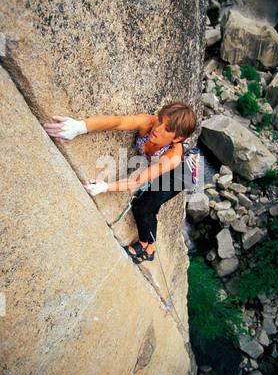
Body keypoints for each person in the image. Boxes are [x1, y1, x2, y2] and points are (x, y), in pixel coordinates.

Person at [43, 102, 197, 264]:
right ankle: (150, 247)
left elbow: (136, 181)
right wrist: (80, 127)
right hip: (163, 168)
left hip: (179, 176)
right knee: (150, 207)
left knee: (142, 208)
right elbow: (116, 122)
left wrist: (105, 187)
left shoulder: (171, 157)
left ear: (178, 138)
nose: (157, 128)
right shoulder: (148, 123)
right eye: (160, 120)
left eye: (166, 129)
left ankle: (145, 244)